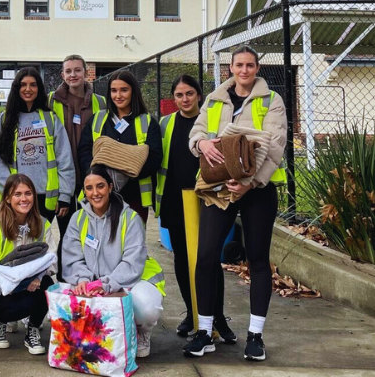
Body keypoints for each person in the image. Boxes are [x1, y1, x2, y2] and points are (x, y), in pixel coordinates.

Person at [183, 45, 287, 361]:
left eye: (250, 65)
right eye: (239, 65)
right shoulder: (214, 100)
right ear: (230, 68)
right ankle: (205, 332)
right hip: (218, 187)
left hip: (257, 189)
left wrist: (248, 183)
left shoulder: (272, 101)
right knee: (205, 256)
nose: (244, 70)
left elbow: (275, 147)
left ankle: (255, 336)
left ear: (257, 68)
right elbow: (197, 133)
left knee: (257, 259)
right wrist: (199, 143)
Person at [154, 75, 235, 341]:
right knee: (181, 258)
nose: (184, 99)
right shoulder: (165, 123)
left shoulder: (212, 120)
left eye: (189, 93)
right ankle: (192, 313)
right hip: (175, 200)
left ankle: (217, 317)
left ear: (199, 95)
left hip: (208, 198)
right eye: (179, 95)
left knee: (209, 259)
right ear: (173, 98)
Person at [62, 165, 166, 358]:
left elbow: (132, 262)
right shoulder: (77, 219)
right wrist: (82, 280)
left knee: (145, 308)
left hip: (133, 281)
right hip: (96, 284)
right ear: (84, 191)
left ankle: (142, 332)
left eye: (100, 186)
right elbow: (72, 257)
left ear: (110, 187)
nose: (95, 193)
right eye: (89, 188)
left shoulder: (130, 218)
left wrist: (106, 284)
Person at [0, 174, 57, 355]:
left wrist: (39, 277)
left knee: (49, 285)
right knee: (14, 304)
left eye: (28, 193)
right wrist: (11, 286)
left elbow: (52, 260)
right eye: (17, 194)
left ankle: (32, 330)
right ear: (8, 199)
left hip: (30, 286)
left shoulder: (43, 225)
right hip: (2, 292)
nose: (23, 199)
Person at [0, 67, 75, 224]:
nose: (28, 89)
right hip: (18, 197)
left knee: (42, 242)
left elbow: (64, 158)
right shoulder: (2, 121)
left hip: (46, 196)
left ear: (39, 88)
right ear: (17, 88)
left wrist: (65, 195)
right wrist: (8, 191)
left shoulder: (50, 119)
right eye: (23, 85)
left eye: (33, 85)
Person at [77, 69, 162, 224]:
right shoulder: (98, 119)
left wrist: (125, 172)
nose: (118, 95)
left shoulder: (148, 121)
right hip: (100, 195)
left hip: (135, 196)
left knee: (132, 244)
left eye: (124, 90)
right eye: (114, 90)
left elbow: (155, 157)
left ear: (133, 91)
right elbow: (84, 150)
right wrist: (96, 176)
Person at [49, 54, 107, 281]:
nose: (73, 75)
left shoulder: (100, 102)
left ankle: (88, 279)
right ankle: (65, 279)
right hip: (61, 175)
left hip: (90, 175)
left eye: (77, 70)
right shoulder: (50, 100)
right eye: (68, 71)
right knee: (67, 232)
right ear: (62, 75)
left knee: (90, 232)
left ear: (86, 73)